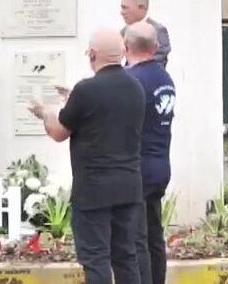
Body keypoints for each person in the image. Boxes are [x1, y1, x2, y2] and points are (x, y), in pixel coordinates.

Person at [28, 29, 145, 284]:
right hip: (129, 186)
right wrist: (73, 101)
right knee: (126, 256)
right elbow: (106, 117)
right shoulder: (135, 88)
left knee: (96, 259)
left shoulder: (86, 90)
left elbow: (59, 132)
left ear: (92, 55)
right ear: (122, 52)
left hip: (94, 190)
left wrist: (46, 112)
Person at [124, 22, 175, 284]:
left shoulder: (133, 80)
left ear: (126, 46)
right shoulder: (163, 77)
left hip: (138, 167)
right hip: (160, 165)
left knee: (136, 239)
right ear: (155, 47)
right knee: (154, 234)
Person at [120, 0, 171, 67]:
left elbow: (157, 62)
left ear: (141, 7)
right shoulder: (123, 32)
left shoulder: (158, 31)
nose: (122, 12)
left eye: (125, 8)